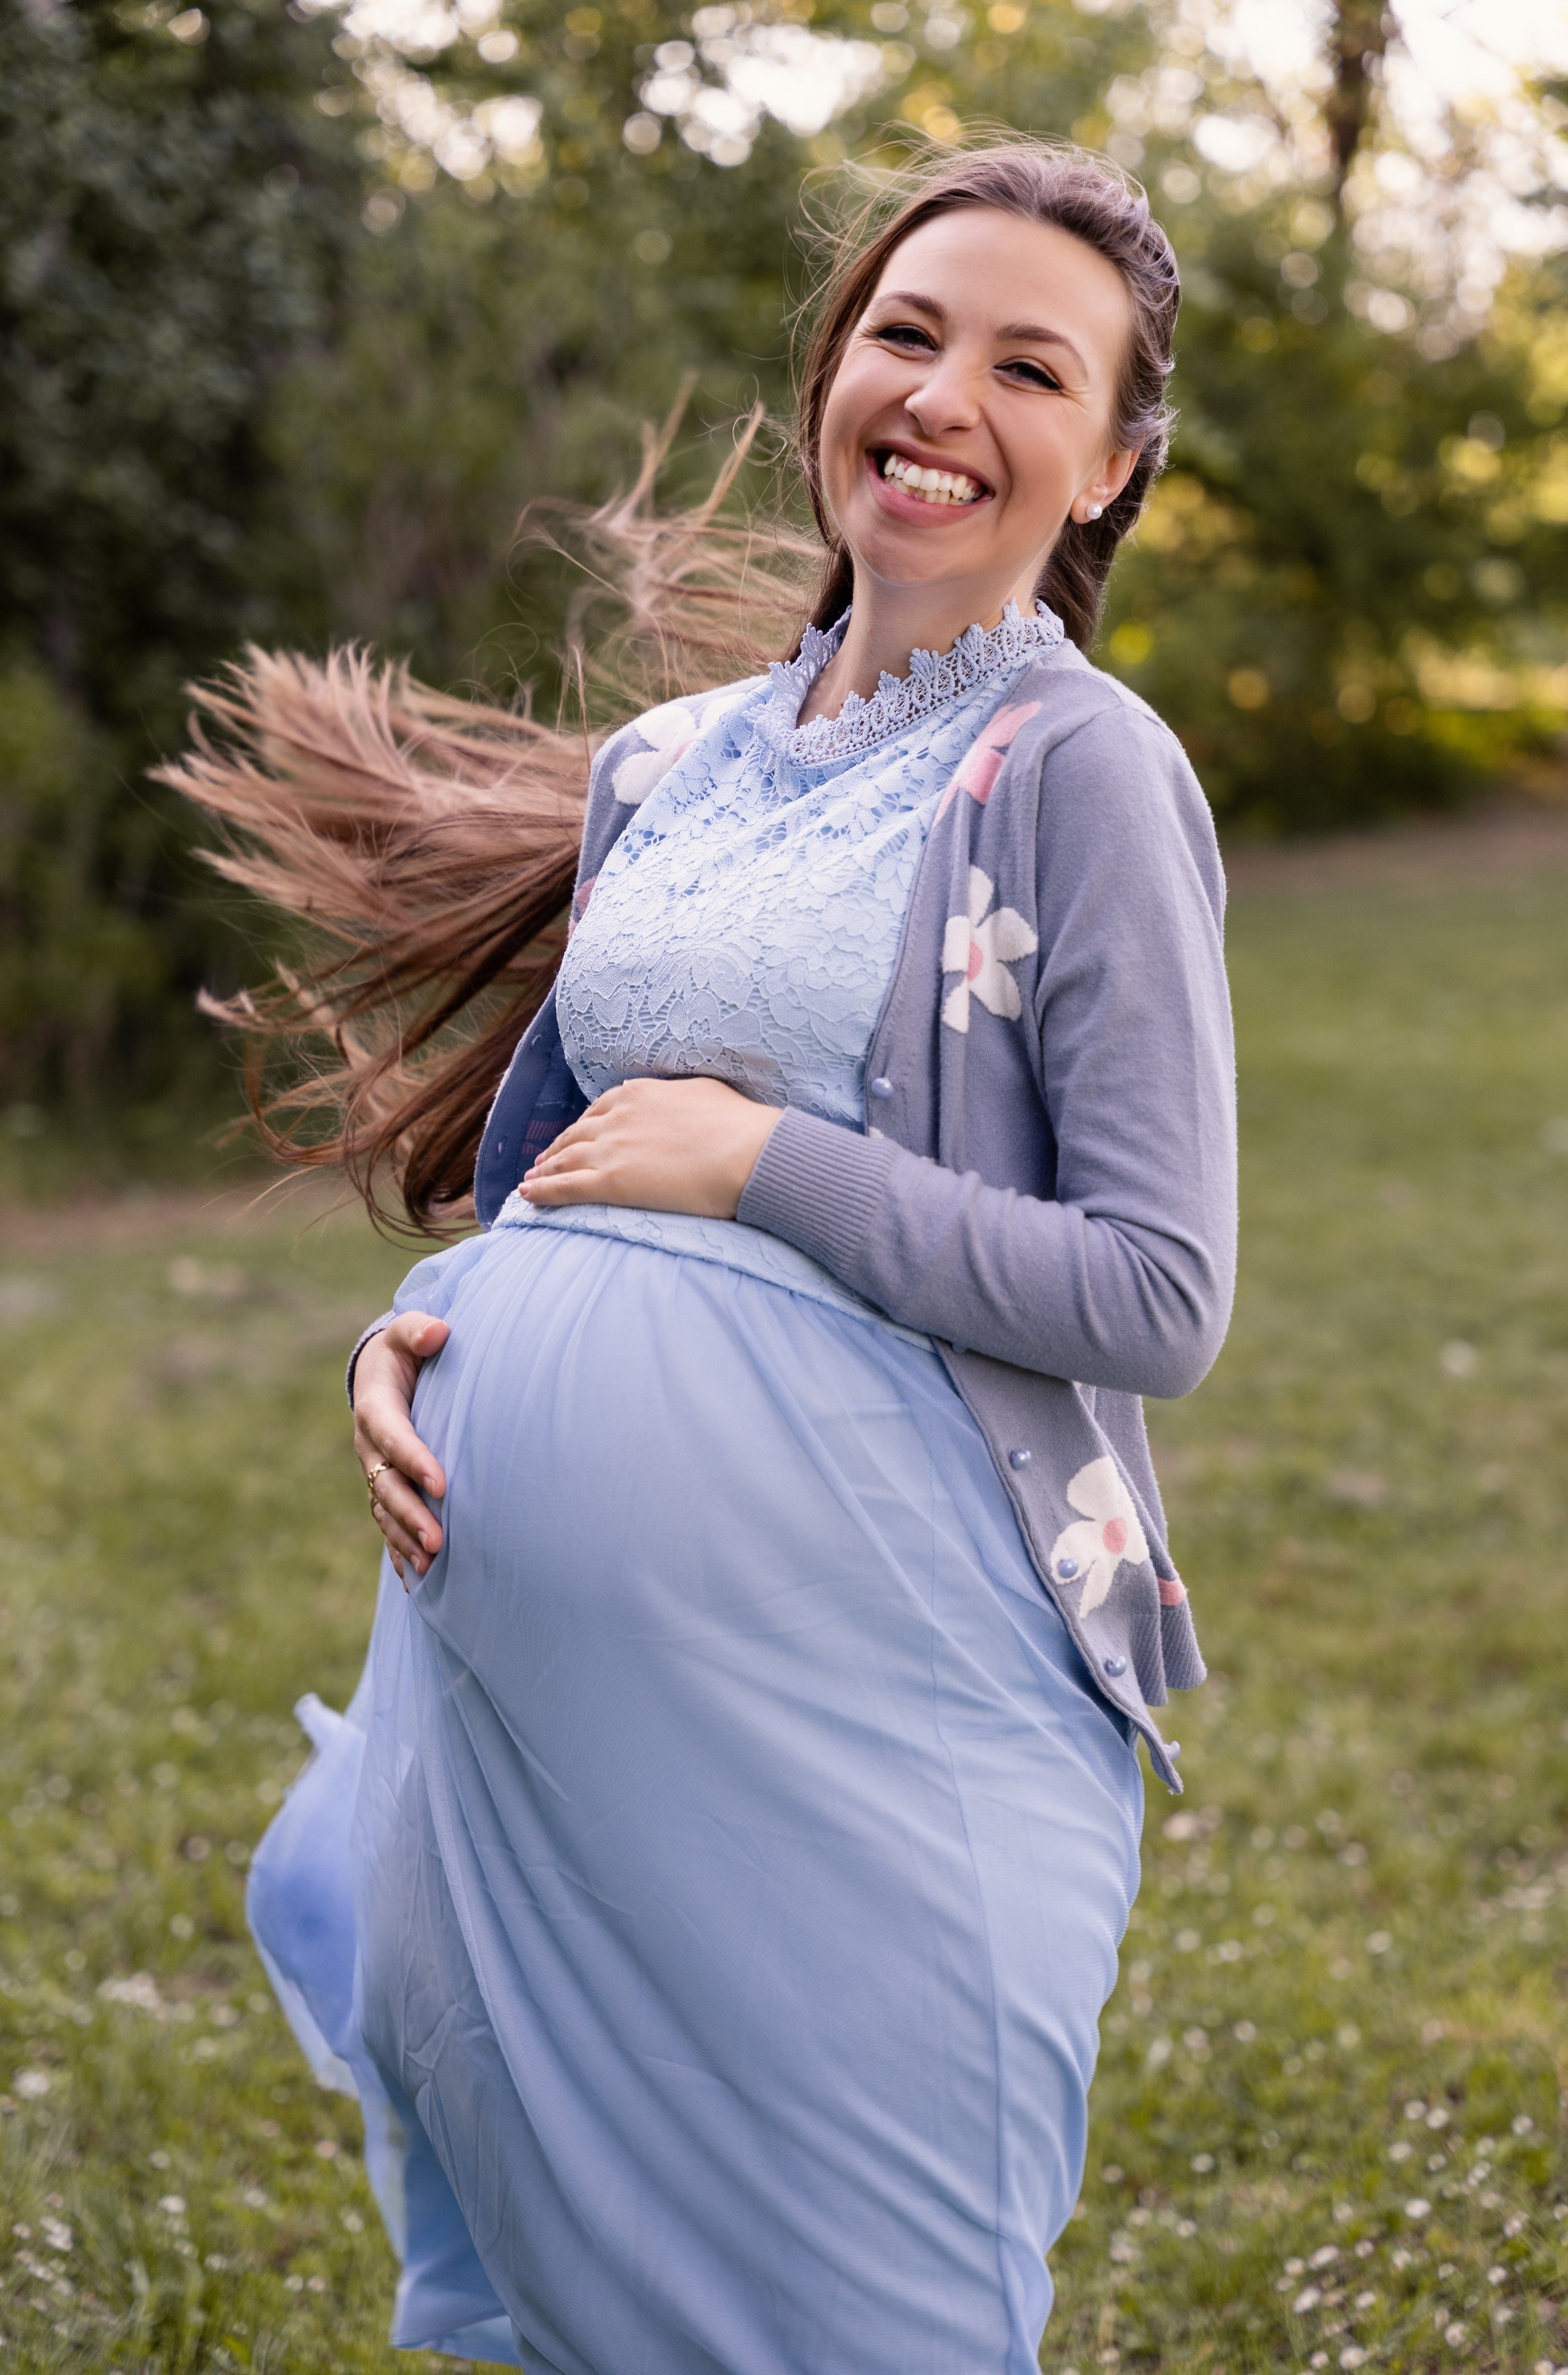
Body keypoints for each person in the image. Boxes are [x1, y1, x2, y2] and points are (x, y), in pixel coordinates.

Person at [182, 139, 1236, 2375]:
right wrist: (419, 1339)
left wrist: (776, 1168)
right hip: (543, 1673)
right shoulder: (668, 767)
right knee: (591, 2277)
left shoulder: (1088, 773)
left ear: (1112, 463)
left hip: (874, 1693)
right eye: (907, 333)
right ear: (835, 367)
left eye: (1030, 367)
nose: (944, 397)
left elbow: (1159, 1291)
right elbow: (560, 1179)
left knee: (864, 2297)